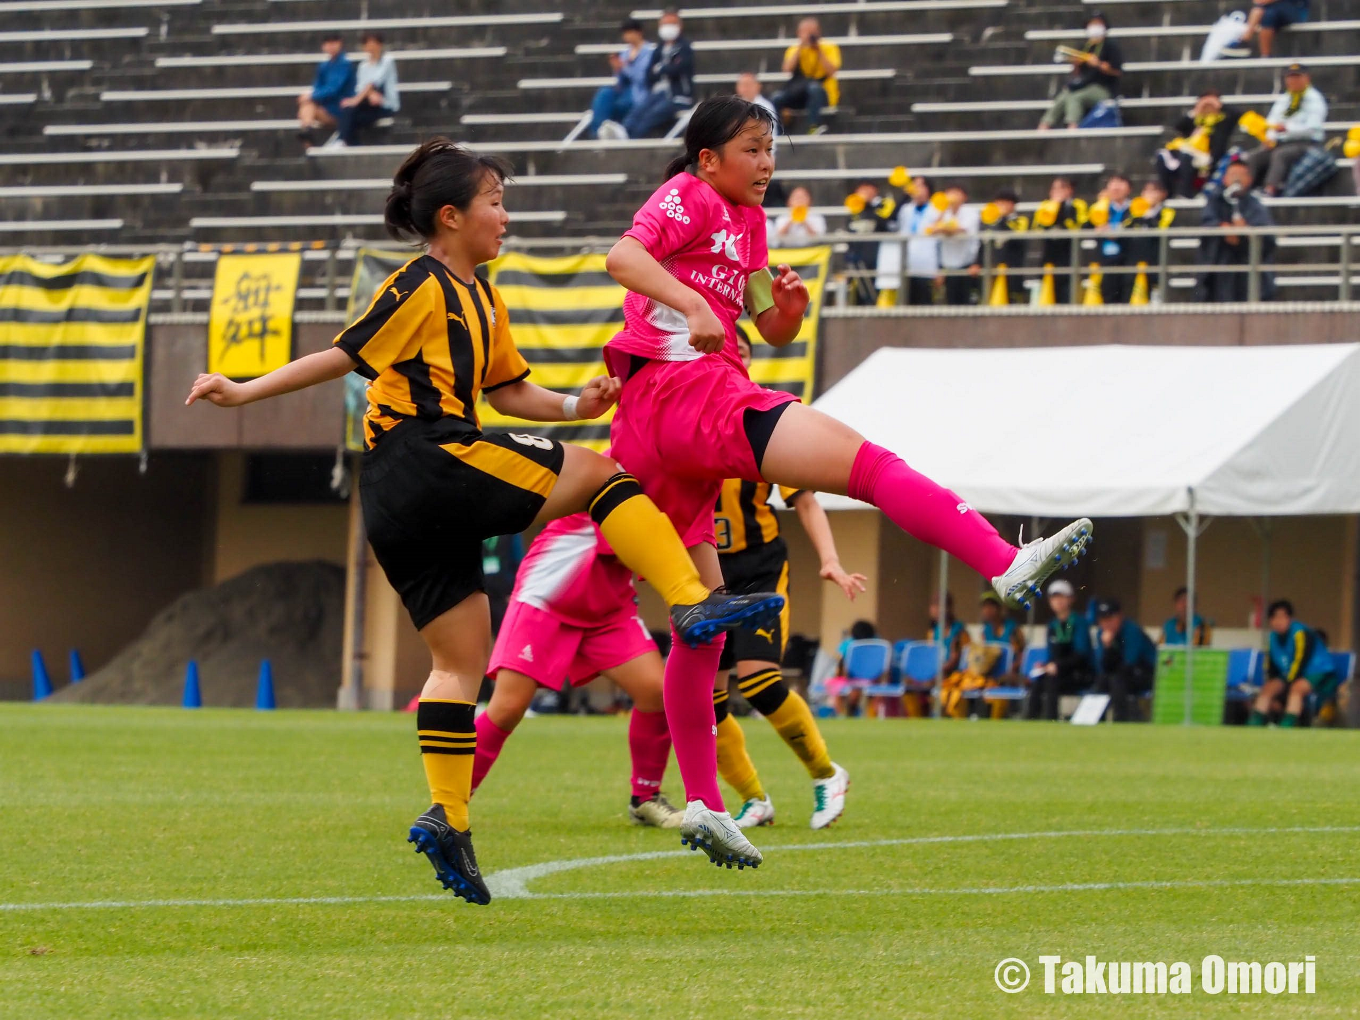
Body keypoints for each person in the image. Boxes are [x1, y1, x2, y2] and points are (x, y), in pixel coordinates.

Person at [184, 138, 784, 904]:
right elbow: (344, 355)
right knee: (603, 475)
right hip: (428, 456)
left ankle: (449, 818)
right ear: (450, 216)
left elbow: (510, 395)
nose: (505, 215)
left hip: (399, 497)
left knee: (458, 662)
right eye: (494, 201)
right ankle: (692, 599)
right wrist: (245, 389)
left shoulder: (482, 297)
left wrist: (576, 406)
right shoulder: (422, 283)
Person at [602, 95, 1092, 868]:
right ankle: (1003, 560)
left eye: (772, 150)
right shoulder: (689, 194)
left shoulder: (751, 225)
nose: (767, 163)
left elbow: (768, 324)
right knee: (868, 466)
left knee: (701, 621)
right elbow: (622, 258)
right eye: (754, 149)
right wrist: (691, 301)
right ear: (707, 159)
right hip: (687, 393)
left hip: (655, 422)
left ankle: (702, 803)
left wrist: (788, 310)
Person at [711, 329, 864, 831]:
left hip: (758, 566)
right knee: (702, 702)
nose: (732, 359)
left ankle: (826, 774)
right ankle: (753, 799)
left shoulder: (763, 421)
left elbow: (804, 498)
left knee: (758, 681)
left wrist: (831, 559)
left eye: (742, 352)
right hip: (705, 571)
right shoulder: (686, 417)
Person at [474, 512, 683, 828]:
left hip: (609, 604)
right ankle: (448, 801)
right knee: (507, 707)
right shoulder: (601, 462)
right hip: (548, 593)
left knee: (656, 690)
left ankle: (645, 799)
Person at [1196, 158, 1275, 303]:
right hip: (1220, 269)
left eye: (1241, 174)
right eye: (1233, 174)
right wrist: (1223, 229)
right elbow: (1207, 224)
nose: (1237, 178)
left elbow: (1267, 236)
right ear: (1225, 178)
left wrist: (1246, 232)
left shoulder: (1254, 205)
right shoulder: (1216, 200)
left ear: (1249, 179)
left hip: (1247, 272)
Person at [1243, 64, 1327, 196]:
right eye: (1290, 77)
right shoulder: (1284, 99)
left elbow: (1313, 128)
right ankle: (1245, 189)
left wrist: (1287, 129)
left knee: (1281, 155)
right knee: (1254, 157)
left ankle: (1269, 189)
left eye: (1297, 77)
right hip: (1281, 142)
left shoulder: (1314, 99)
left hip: (1306, 143)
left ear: (1307, 78)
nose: (1293, 81)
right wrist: (1269, 138)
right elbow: (1271, 122)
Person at [1251, 599, 1337, 727]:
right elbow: (1272, 664)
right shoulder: (1273, 637)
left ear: (1289, 618)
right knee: (1269, 688)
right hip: (1291, 675)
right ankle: (1253, 725)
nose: (1278, 621)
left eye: (1282, 617)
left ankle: (1287, 726)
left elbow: (1300, 661)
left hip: (1319, 672)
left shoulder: (1300, 633)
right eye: (1274, 617)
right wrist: (1272, 681)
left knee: (1297, 688)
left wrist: (1286, 684)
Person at [1038, 12, 1123, 130]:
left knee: (1075, 97)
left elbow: (1116, 71)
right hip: (1085, 84)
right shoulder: (1085, 47)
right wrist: (1076, 64)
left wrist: (1097, 63)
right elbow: (1078, 75)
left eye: (1097, 24)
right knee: (1064, 96)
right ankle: (1044, 126)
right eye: (1091, 24)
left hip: (1103, 89)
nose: (1094, 27)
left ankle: (1072, 127)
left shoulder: (1110, 45)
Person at [619, 9, 694, 140]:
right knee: (637, 111)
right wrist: (663, 69)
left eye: (671, 24)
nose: (667, 28)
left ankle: (632, 139)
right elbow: (650, 74)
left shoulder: (684, 48)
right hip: (658, 93)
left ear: (679, 26)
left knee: (651, 116)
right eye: (664, 24)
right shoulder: (659, 48)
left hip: (677, 97)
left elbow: (677, 70)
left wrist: (660, 69)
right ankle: (622, 133)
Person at [1026, 578, 1093, 720]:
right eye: (1054, 598)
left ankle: (1051, 719)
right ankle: (1030, 720)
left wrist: (1058, 665)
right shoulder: (1052, 625)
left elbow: (1081, 654)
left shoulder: (1079, 622)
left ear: (1071, 599)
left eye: (1062, 597)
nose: (1058, 601)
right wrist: (1044, 666)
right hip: (1058, 672)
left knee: (1051, 682)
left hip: (1078, 673)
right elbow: (1052, 655)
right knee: (1038, 682)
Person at [1155, 90, 1239, 199]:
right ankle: (1167, 194)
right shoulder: (1192, 121)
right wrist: (1196, 111)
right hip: (1187, 155)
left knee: (1186, 156)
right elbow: (1175, 128)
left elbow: (1238, 114)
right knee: (1164, 155)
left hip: (1212, 158)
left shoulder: (1224, 121)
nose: (1208, 106)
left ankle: (1186, 194)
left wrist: (1220, 106)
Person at [773, 17, 841, 135]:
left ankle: (813, 126)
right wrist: (800, 47)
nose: (808, 35)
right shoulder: (794, 49)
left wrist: (819, 51)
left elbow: (831, 71)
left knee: (814, 89)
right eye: (805, 32)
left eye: (811, 32)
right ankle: (776, 131)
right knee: (777, 97)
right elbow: (787, 69)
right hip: (799, 93)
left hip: (822, 93)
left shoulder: (829, 47)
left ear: (818, 32)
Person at [1091, 599, 1156, 722]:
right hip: (1120, 675)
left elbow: (1130, 661)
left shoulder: (1131, 630)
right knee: (1102, 681)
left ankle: (1120, 719)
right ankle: (1095, 720)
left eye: (1110, 618)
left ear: (1119, 616)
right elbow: (1102, 665)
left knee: (1116, 680)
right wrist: (1107, 647)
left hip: (1145, 673)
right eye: (1103, 620)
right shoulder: (1101, 634)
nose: (1106, 623)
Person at [878, 175, 938, 307]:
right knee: (907, 302)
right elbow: (891, 224)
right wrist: (903, 198)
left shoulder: (936, 210)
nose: (917, 189)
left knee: (925, 302)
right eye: (914, 186)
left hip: (927, 266)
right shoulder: (906, 209)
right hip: (907, 265)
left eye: (920, 186)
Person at [590, 19, 654, 140]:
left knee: (621, 103)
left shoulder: (649, 52)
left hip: (639, 92)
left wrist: (624, 67)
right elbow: (620, 80)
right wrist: (617, 69)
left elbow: (642, 78)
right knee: (604, 94)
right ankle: (597, 131)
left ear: (638, 33)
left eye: (630, 32)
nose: (627, 36)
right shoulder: (625, 53)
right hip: (624, 90)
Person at [334, 32, 400, 148]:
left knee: (350, 112)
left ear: (380, 45)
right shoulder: (363, 66)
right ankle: (347, 142)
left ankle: (341, 140)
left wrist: (356, 100)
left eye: (373, 43)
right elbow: (360, 87)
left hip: (384, 105)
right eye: (367, 44)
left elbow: (376, 81)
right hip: (368, 103)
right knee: (349, 113)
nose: (370, 47)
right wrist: (369, 94)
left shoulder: (387, 61)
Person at [1034, 177, 1088, 303]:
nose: (1057, 192)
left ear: (1070, 190)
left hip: (1070, 257)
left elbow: (1080, 226)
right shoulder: (1044, 206)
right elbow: (1038, 228)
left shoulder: (1078, 205)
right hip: (1050, 257)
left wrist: (1062, 208)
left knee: (1068, 296)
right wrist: (1053, 208)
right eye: (1054, 188)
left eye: (1062, 188)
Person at [297, 33, 356, 147]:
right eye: (328, 43)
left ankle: (307, 135)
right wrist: (310, 95)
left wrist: (311, 96)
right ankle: (307, 133)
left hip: (341, 111)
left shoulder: (344, 64)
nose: (331, 46)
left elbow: (334, 88)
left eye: (334, 43)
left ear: (340, 44)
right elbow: (317, 87)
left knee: (306, 107)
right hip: (327, 109)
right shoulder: (323, 66)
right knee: (306, 106)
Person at [927, 183, 981, 306]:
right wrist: (942, 210)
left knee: (967, 302)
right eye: (949, 193)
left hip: (966, 266)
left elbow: (962, 229)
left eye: (956, 193)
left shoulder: (970, 212)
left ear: (964, 197)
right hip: (948, 267)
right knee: (950, 302)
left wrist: (944, 229)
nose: (952, 196)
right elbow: (932, 230)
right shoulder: (943, 213)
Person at [844, 180, 895, 304]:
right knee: (858, 297)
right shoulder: (854, 211)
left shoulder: (882, 206)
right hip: (857, 261)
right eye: (861, 189)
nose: (864, 193)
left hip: (876, 259)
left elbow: (886, 224)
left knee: (874, 297)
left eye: (868, 189)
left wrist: (870, 205)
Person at [1123, 179, 1175, 300]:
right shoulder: (1133, 211)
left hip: (1156, 257)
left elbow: (1161, 230)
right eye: (1146, 191)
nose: (1149, 194)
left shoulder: (1167, 212)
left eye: (1153, 191)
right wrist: (1139, 214)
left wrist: (1148, 217)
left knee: (1155, 289)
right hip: (1135, 258)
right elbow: (1124, 227)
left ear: (1163, 194)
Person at [1089, 172, 1134, 304]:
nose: (1116, 187)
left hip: (1127, 260)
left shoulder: (1134, 208)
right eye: (1112, 183)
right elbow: (1085, 227)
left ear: (1129, 189)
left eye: (1120, 183)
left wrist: (1115, 232)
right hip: (1104, 260)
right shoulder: (1099, 208)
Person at [987, 188, 1029, 303]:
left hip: (1013, 269)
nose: (998, 207)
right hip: (994, 270)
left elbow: (1017, 239)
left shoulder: (1021, 220)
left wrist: (1003, 219)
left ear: (1011, 204)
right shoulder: (991, 222)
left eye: (1002, 203)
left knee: (1013, 301)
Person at [1233, 0, 1310, 58]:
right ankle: (1265, 55)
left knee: (1262, 11)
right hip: (1273, 11)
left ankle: (1245, 41)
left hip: (1295, 10)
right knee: (1266, 14)